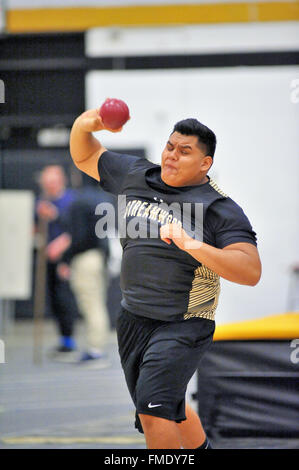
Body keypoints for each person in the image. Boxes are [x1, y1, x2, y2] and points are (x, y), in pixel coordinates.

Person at [69, 108, 262, 449]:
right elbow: (85, 154)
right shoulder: (135, 174)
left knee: (154, 412)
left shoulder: (218, 208)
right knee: (167, 407)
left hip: (183, 323)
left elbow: (249, 271)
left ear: (205, 163)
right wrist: (88, 123)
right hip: (132, 318)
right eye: (170, 146)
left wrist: (192, 245)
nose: (172, 155)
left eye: (184, 151)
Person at [49, 179, 112, 365]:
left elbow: (78, 237)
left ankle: (95, 350)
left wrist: (65, 259)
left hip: (85, 258)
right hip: (101, 256)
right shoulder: (105, 198)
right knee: (97, 302)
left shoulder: (79, 201)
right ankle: (97, 347)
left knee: (91, 304)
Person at [35, 165, 79, 359]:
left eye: (51, 183)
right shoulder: (42, 201)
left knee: (64, 298)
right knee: (53, 298)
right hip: (47, 258)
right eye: (46, 183)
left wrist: (60, 247)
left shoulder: (70, 201)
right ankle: (63, 339)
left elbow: (75, 230)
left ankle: (69, 340)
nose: (49, 186)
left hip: (65, 257)